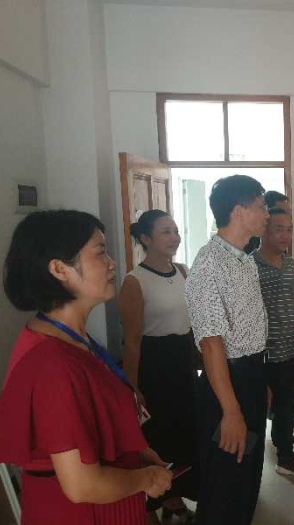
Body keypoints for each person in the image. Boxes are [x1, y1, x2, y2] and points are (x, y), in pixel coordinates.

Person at [0, 210, 173, 525]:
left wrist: (140, 454)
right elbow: (82, 485)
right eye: (100, 252)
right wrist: (147, 479)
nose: (112, 263)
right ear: (59, 269)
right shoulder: (52, 363)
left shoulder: (74, 339)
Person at [185, 175, 270, 525]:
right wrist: (231, 412)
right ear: (238, 211)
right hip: (226, 385)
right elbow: (211, 345)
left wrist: (259, 381)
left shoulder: (244, 259)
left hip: (249, 377)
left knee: (247, 478)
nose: (267, 214)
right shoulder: (209, 265)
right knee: (224, 485)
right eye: (261, 206)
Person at [118, 209, 198, 522]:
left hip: (183, 362)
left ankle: (177, 496)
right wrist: (132, 388)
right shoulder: (134, 281)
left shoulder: (183, 271)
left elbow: (192, 324)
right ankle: (159, 501)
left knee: (185, 432)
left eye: (175, 230)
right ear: (146, 238)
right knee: (159, 436)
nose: (174, 237)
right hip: (154, 367)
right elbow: (132, 341)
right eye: (166, 232)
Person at [255, 207, 294, 480]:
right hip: (257, 354)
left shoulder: (290, 264)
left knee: (286, 407)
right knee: (256, 409)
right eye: (279, 229)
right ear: (264, 231)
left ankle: (285, 457)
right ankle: (249, 466)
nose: (285, 235)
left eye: (289, 230)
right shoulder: (250, 265)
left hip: (286, 351)